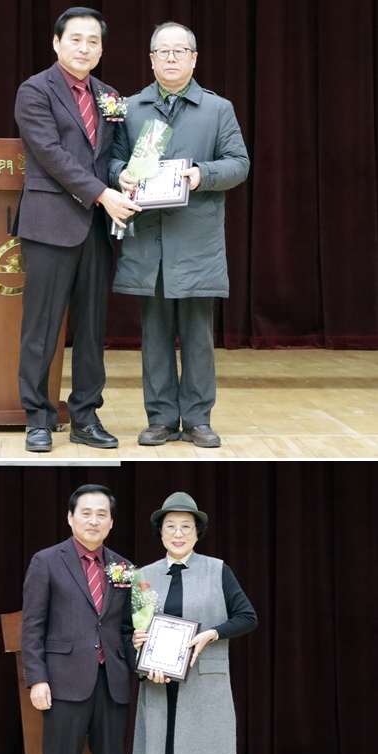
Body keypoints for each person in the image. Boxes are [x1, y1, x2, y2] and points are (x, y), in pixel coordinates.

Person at [109, 21, 249, 448]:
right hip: (148, 239)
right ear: (151, 59)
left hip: (195, 240)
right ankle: (161, 420)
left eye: (180, 51)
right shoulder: (130, 108)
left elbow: (239, 163)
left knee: (197, 337)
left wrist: (201, 174)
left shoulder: (217, 109)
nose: (171, 58)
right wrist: (121, 174)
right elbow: (110, 161)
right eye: (163, 52)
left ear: (194, 58)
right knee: (154, 336)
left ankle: (199, 419)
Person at [14, 7, 140, 453]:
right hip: (49, 224)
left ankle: (85, 416)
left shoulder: (110, 95)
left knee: (91, 328)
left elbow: (112, 155)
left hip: (95, 228)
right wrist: (103, 193)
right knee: (42, 327)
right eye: (76, 39)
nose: (84, 48)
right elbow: (50, 154)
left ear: (102, 49)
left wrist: (123, 177)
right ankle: (38, 418)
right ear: (56, 42)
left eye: (93, 41)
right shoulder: (35, 90)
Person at [132, 491, 257, 754]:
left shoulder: (217, 570)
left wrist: (212, 634)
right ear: (160, 533)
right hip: (161, 688)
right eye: (170, 526)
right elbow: (130, 630)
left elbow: (247, 616)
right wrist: (139, 651)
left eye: (186, 527)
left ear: (197, 533)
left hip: (206, 690)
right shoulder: (144, 577)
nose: (178, 533)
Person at [21, 484, 136, 754]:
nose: (93, 520)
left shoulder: (123, 567)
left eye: (102, 514)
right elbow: (32, 626)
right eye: (85, 512)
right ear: (70, 518)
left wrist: (144, 656)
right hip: (64, 683)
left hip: (112, 684)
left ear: (111, 522)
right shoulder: (47, 561)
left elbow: (126, 628)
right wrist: (37, 678)